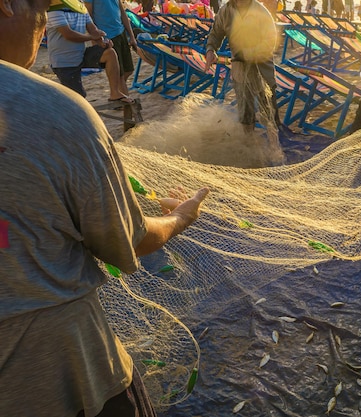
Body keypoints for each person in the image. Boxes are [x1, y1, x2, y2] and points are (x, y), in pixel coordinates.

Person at [0, 0, 211, 415]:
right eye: (41, 8)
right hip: (62, 376)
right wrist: (180, 216)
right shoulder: (55, 111)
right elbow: (128, 241)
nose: (43, 24)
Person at [205, 0, 281, 132]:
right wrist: (211, 50)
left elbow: (270, 42)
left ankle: (274, 144)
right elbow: (216, 33)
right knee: (245, 115)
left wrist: (246, 54)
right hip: (240, 70)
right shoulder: (226, 11)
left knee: (270, 114)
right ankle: (249, 141)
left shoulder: (260, 11)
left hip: (262, 70)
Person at [46, 0, 134, 104]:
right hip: (64, 62)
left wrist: (102, 42)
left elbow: (93, 30)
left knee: (110, 53)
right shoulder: (54, 11)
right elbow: (68, 34)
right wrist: (91, 37)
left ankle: (115, 93)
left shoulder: (81, 9)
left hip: (81, 55)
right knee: (78, 99)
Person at [84, 0, 137, 97]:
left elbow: (122, 12)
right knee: (120, 76)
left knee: (128, 70)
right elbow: (88, 17)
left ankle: (118, 91)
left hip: (121, 33)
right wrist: (96, 39)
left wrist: (132, 36)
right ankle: (124, 102)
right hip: (108, 37)